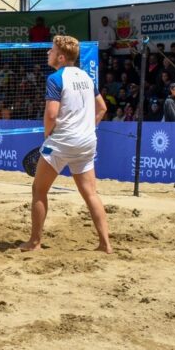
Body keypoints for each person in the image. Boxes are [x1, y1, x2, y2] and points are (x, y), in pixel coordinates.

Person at [20, 35, 111, 254]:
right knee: (91, 193)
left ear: (61, 57)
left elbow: (51, 114)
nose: (48, 53)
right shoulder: (87, 77)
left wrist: (47, 135)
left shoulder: (55, 78)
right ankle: (105, 244)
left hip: (62, 141)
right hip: (87, 141)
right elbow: (102, 108)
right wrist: (88, 127)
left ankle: (35, 242)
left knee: (38, 190)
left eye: (51, 50)